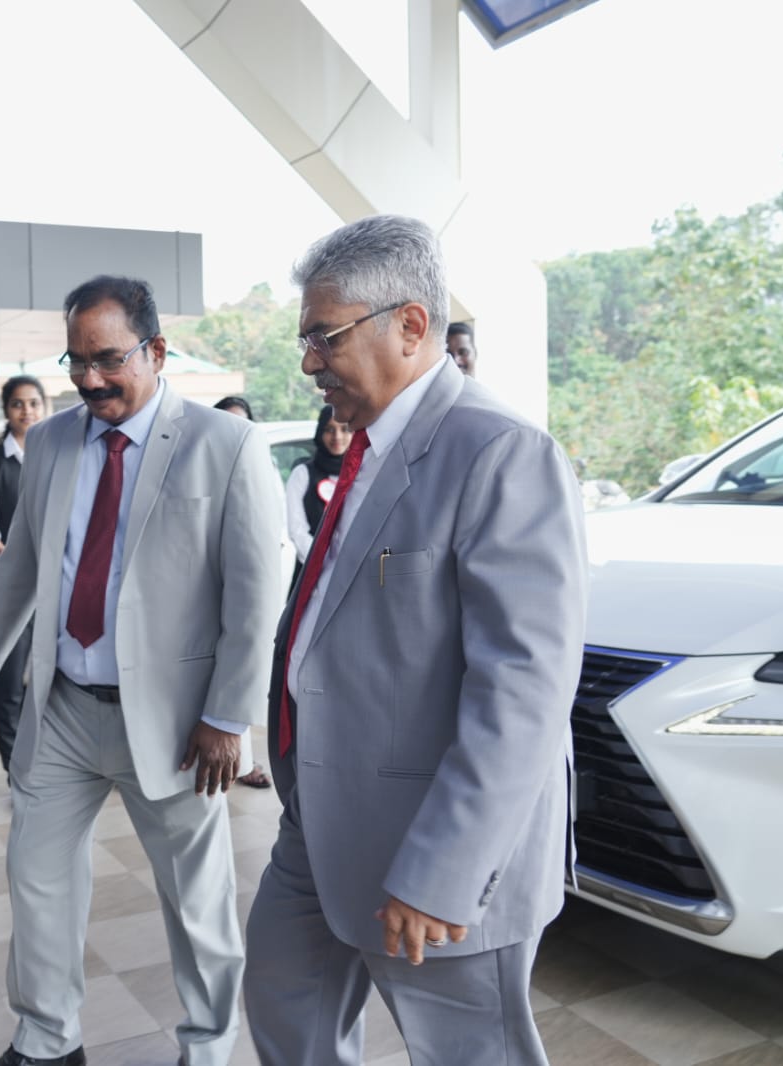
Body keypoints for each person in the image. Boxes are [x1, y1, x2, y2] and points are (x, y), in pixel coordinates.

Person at [242, 216, 586, 1066]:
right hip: (323, 816)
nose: (309, 362)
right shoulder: (365, 449)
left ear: (410, 324)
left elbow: (524, 691)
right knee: (283, 995)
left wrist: (443, 869)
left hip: (427, 838)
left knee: (468, 1050)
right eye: (306, 339)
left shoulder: (501, 452)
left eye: (325, 336)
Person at [0, 275, 283, 1066]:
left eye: (107, 359)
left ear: (156, 350)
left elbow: (255, 594)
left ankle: (208, 1047)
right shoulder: (52, 442)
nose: (89, 378)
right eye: (76, 361)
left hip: (174, 722)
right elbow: (23, 566)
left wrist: (227, 716)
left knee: (196, 900)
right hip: (64, 708)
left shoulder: (224, 445)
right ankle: (47, 1041)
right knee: (36, 877)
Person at [0, 374, 47, 774]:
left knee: (56, 685)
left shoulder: (58, 456)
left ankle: (49, 771)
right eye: (18, 404)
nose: (27, 411)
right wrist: (23, 565)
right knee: (9, 686)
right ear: (6, 410)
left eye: (34, 403)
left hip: (56, 589)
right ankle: (16, 775)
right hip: (11, 590)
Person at [210, 395, 273, 791]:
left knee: (241, 669)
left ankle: (242, 758)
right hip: (205, 595)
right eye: (227, 422)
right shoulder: (198, 470)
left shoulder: (260, 469)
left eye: (242, 423)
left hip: (247, 589)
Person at [283, 404, 352, 594]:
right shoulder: (302, 474)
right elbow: (297, 530)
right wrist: (326, 563)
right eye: (329, 429)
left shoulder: (361, 472)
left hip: (351, 574)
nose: (337, 436)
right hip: (311, 574)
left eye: (344, 429)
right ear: (320, 432)